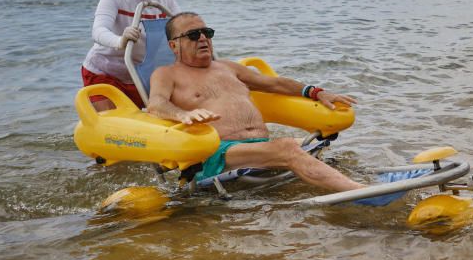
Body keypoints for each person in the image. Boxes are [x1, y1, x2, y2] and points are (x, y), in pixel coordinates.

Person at [146, 12, 368, 194]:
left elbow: (274, 84)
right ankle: (360, 191)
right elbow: (156, 104)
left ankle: (369, 177)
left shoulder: (227, 67)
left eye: (207, 32)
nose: (203, 38)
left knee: (314, 146)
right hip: (217, 153)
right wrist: (181, 115)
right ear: (174, 46)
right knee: (288, 148)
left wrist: (316, 92)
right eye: (194, 35)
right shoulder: (167, 73)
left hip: (256, 145)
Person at [81, 0, 179, 110]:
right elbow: (98, 31)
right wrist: (120, 41)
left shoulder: (166, 0)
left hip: (139, 75)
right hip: (104, 73)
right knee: (113, 125)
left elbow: (183, 27)